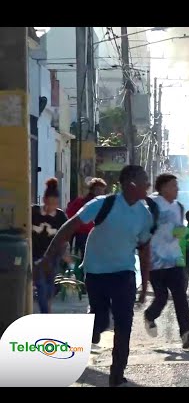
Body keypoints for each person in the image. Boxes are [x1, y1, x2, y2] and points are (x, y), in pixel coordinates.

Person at [36, 165, 153, 387]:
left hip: (124, 274)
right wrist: (48, 258)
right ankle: (91, 330)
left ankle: (116, 375)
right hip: (96, 272)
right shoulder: (103, 204)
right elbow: (69, 228)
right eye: (145, 181)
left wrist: (144, 284)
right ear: (131, 184)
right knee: (99, 321)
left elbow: (145, 249)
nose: (148, 186)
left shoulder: (144, 214)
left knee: (124, 324)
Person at [142, 174, 189, 349]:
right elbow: (144, 230)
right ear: (164, 187)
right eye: (174, 185)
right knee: (161, 297)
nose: (177, 189)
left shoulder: (178, 207)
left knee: (180, 296)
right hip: (155, 262)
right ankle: (150, 316)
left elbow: (177, 229)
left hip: (174, 260)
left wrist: (180, 232)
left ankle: (186, 332)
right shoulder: (151, 204)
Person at [31, 178, 71, 313]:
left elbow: (65, 237)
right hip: (36, 256)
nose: (50, 207)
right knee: (41, 286)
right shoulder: (33, 212)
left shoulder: (61, 217)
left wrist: (65, 253)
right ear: (44, 200)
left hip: (53, 257)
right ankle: (45, 314)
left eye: (54, 204)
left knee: (49, 287)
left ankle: (47, 310)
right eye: (48, 203)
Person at [66, 177, 107, 258]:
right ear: (93, 190)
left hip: (94, 234)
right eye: (98, 189)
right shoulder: (82, 202)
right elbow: (70, 213)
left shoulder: (103, 203)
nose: (101, 192)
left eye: (102, 190)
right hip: (81, 234)